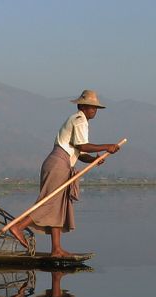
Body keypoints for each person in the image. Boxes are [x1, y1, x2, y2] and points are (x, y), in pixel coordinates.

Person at [9, 90, 122, 258]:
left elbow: (79, 152)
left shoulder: (79, 121)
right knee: (49, 202)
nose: (94, 111)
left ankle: (56, 249)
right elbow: (82, 146)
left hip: (61, 163)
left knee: (58, 206)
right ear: (82, 106)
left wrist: (93, 160)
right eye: (92, 107)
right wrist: (107, 146)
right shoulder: (79, 120)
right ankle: (17, 227)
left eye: (96, 108)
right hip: (58, 164)